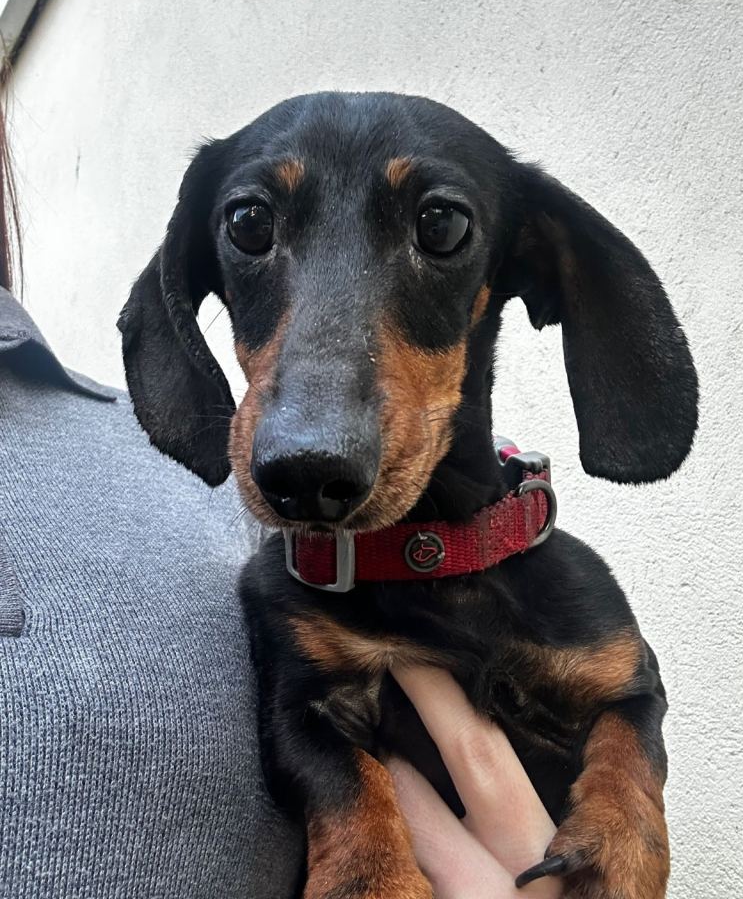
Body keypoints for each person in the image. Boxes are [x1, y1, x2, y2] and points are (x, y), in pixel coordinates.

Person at [0, 99, 558, 898]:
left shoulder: (238, 518)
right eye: (252, 229)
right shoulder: (251, 528)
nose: (307, 451)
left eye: (440, 228)